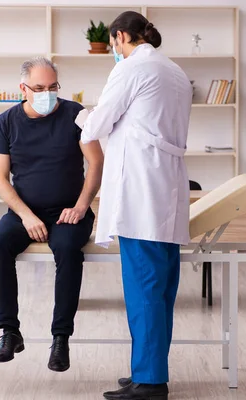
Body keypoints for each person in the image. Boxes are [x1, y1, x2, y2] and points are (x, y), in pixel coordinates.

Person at [76, 11, 193, 400]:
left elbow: (96, 126)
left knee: (144, 289)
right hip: (166, 189)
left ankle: (150, 382)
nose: (114, 52)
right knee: (160, 291)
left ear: (121, 36)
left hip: (140, 192)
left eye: (113, 45)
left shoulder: (129, 69)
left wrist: (77, 115)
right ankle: (146, 369)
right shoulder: (174, 71)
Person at [0, 57, 104, 372]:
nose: (47, 93)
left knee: (66, 249)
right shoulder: (6, 121)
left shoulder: (76, 115)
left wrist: (82, 206)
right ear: (23, 88)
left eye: (53, 87)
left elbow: (96, 162)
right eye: (39, 88)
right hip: (25, 211)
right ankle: (9, 331)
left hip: (69, 211)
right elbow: (0, 179)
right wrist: (25, 216)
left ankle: (60, 338)